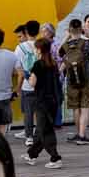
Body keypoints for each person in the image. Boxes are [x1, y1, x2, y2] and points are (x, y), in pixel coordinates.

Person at [26, 20, 65, 167]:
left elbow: (33, 83)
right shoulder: (53, 64)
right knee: (42, 129)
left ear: (40, 50)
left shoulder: (38, 64)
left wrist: (27, 76)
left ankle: (55, 158)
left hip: (42, 100)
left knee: (45, 130)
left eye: (36, 49)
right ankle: (32, 155)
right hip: (54, 100)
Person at [57, 19, 89, 144]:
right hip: (86, 78)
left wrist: (67, 36)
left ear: (69, 30)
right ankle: (82, 135)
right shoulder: (87, 44)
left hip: (71, 80)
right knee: (85, 108)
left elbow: (59, 52)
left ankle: (78, 133)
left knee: (75, 108)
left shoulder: (66, 46)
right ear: (81, 29)